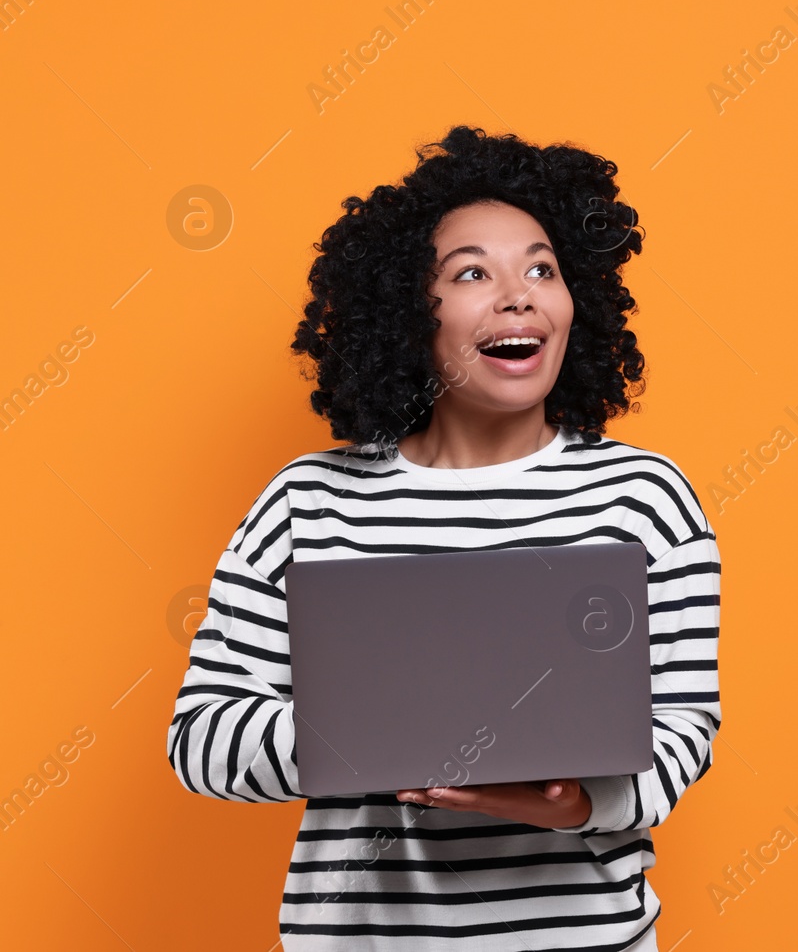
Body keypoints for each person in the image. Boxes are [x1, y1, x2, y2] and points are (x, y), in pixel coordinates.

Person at [165, 125, 721, 951]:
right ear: (405, 313)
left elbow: (683, 728)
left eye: (543, 267)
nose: (520, 294)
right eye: (472, 272)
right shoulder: (307, 504)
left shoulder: (645, 498)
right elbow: (201, 740)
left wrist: (574, 800)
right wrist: (379, 728)